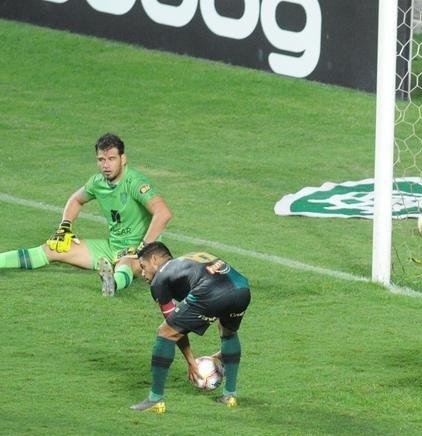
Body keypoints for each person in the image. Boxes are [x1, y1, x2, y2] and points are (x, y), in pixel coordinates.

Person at [0, 133, 172, 296]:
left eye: (111, 159)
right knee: (54, 248)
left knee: (125, 263)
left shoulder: (135, 182)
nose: (106, 165)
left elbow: (163, 213)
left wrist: (144, 247)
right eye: (101, 160)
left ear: (123, 159)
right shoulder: (97, 183)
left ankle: (112, 284)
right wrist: (65, 226)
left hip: (136, 251)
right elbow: (75, 200)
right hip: (111, 247)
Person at [129, 242, 251, 413]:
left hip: (212, 292)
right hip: (242, 288)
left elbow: (173, 330)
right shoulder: (188, 259)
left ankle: (155, 399)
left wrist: (190, 361)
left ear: (155, 259)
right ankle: (229, 395)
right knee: (228, 333)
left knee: (165, 332)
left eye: (143, 266)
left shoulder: (160, 280)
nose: (143, 273)